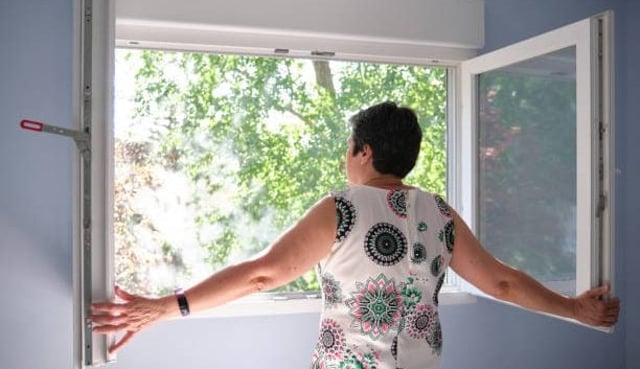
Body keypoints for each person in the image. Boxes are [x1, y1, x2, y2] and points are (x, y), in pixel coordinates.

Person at [91, 101, 620, 368]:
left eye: (349, 148)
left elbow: (262, 275)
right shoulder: (439, 214)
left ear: (364, 151)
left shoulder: (342, 209)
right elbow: (501, 283)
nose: (346, 159)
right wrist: (575, 309)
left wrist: (165, 307)